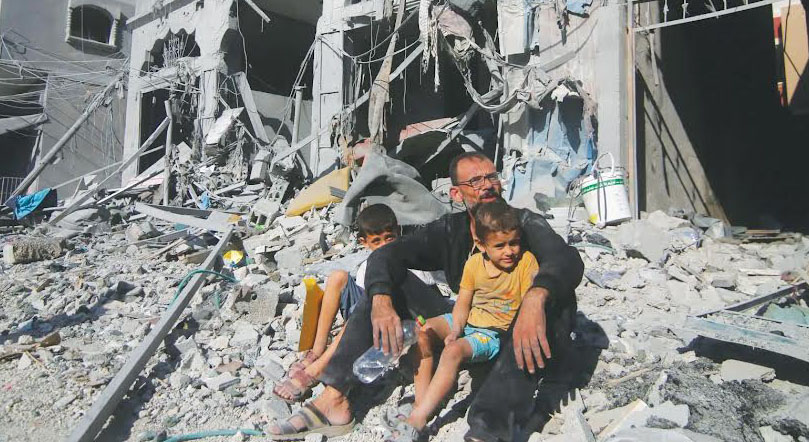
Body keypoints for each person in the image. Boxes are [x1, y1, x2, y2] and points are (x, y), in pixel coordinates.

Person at [267, 152, 583, 441]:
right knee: (387, 286)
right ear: (457, 194)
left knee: (555, 297)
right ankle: (334, 398)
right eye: (475, 181)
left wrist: (535, 297)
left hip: (519, 330)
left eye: (491, 177)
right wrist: (381, 299)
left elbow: (566, 258)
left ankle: (488, 428)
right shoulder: (451, 230)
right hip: (472, 323)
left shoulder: (522, 224)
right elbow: (388, 255)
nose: (486, 186)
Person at [394, 200, 539, 439]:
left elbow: (527, 307)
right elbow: (462, 303)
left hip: (493, 332)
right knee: (424, 330)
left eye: (513, 243)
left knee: (453, 352)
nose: (509, 251)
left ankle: (419, 418)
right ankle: (423, 400)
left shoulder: (525, 263)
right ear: (481, 245)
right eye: (499, 245)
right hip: (470, 319)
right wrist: (455, 329)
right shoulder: (474, 265)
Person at [272, 203, 435, 404]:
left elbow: (423, 297)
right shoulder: (367, 267)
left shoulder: (409, 261)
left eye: (389, 238)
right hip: (366, 318)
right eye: (376, 241)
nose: (384, 246)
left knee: (365, 308)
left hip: (392, 322)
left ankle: (316, 370)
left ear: (398, 232)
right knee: (337, 277)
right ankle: (317, 351)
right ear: (364, 242)